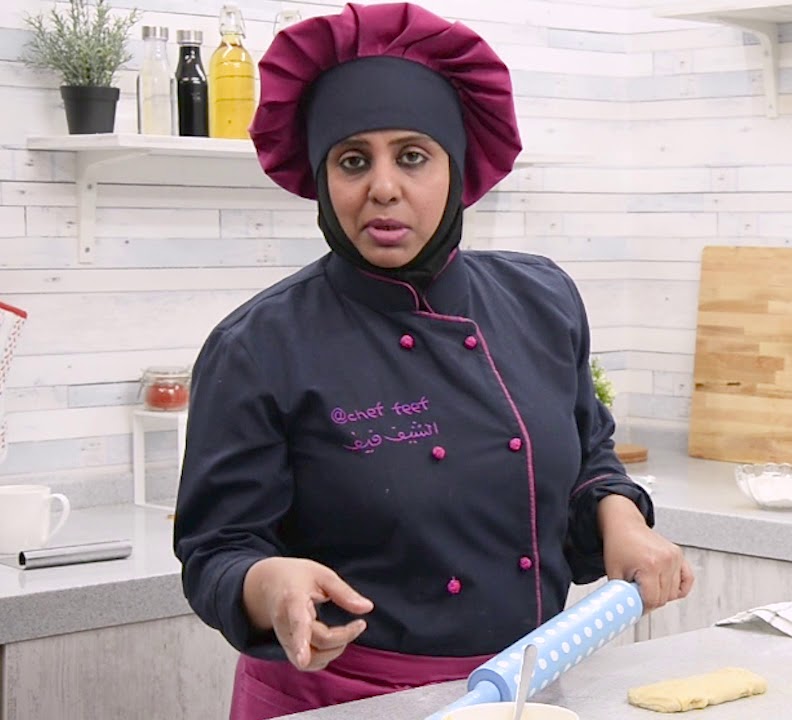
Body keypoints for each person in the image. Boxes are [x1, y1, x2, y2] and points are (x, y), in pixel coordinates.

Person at [171, 4, 694, 718]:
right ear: (323, 179)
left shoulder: (542, 300)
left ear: (456, 168)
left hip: (527, 691)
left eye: (412, 156)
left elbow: (588, 459)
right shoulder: (258, 345)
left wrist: (621, 520)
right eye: (353, 161)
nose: (383, 187)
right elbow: (218, 548)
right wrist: (268, 585)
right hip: (340, 701)